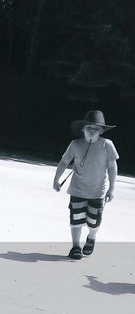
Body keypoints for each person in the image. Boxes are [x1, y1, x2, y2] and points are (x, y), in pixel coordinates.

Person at [53, 109, 119, 257]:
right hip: (78, 189)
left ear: (101, 131)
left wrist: (112, 188)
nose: (92, 131)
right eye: (89, 128)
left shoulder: (107, 145)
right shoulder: (75, 144)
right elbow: (64, 161)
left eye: (96, 129)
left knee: (94, 222)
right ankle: (75, 247)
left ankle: (92, 237)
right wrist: (56, 179)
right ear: (83, 129)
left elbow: (112, 167)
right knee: (76, 219)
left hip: (98, 191)